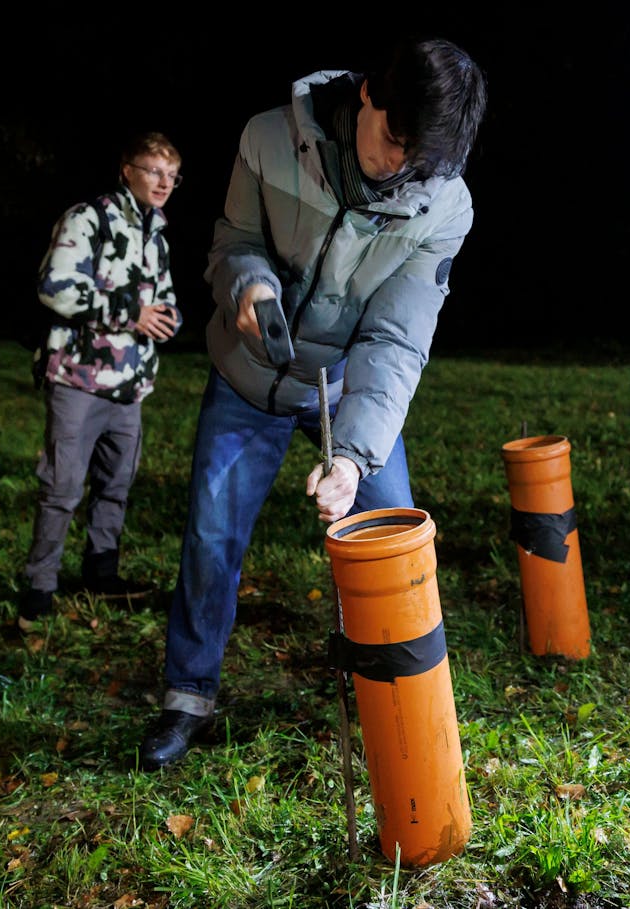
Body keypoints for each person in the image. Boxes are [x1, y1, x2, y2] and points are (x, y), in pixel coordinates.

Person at [137, 38, 487, 770]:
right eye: (396, 141)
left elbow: (397, 338)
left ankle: (401, 701)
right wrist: (249, 288)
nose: (400, 169)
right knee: (211, 535)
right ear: (368, 95)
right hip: (251, 374)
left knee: (392, 535)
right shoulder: (270, 138)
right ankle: (188, 696)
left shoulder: (443, 204)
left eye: (421, 160)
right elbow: (232, 240)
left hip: (348, 389)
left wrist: (355, 457)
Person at [18, 132, 184, 630]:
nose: (164, 183)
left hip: (130, 385)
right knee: (62, 487)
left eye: (173, 176)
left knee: (116, 485)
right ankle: (38, 590)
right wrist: (133, 314)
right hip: (77, 377)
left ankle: (100, 573)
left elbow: (166, 296)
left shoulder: (156, 232)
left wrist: (168, 317)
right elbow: (55, 289)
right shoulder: (88, 219)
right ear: (126, 169)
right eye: (154, 170)